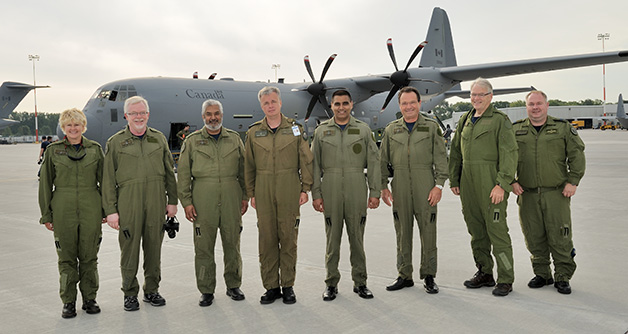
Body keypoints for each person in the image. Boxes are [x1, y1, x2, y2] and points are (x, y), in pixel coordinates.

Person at [102, 96, 178, 311]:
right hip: (128, 202)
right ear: (126, 116)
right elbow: (108, 180)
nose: (138, 117)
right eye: (134, 113)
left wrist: (172, 202)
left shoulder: (159, 139)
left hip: (156, 200)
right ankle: (129, 293)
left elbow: (169, 173)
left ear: (148, 114)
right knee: (129, 251)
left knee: (154, 248)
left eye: (142, 112)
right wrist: (111, 211)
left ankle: (152, 290)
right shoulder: (115, 142)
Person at [448, 78, 518, 297]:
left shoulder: (500, 120)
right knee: (476, 232)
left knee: (497, 232)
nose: (476, 99)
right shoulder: (465, 120)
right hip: (468, 185)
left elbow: (509, 154)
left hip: (491, 183)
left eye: (480, 95)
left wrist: (501, 184)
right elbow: (456, 151)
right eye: (473, 95)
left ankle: (506, 278)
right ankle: (485, 272)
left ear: (490, 96)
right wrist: (455, 179)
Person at [244, 86, 313, 305]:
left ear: (280, 103)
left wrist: (305, 188)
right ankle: (271, 287)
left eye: (273, 101)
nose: (270, 106)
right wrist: (251, 193)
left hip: (289, 187)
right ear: (261, 106)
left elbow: (306, 159)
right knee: (266, 240)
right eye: (266, 103)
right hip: (263, 190)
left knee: (288, 238)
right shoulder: (254, 132)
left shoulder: (294, 129)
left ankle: (288, 286)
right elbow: (249, 166)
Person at [512, 90, 585, 295]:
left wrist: (573, 181)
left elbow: (577, 155)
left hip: (557, 193)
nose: (535, 107)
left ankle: (562, 276)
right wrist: (511, 181)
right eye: (531, 104)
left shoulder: (562, 128)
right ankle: (542, 274)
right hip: (527, 194)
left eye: (539, 104)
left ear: (547, 105)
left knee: (560, 234)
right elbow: (505, 157)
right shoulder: (516, 130)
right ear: (526, 107)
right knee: (533, 235)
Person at [311, 90, 381, 301]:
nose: (341, 107)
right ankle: (331, 283)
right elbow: (314, 165)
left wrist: (375, 191)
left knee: (357, 239)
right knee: (332, 240)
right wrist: (316, 193)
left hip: (356, 186)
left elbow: (374, 162)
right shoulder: (321, 131)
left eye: (345, 103)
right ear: (331, 107)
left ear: (351, 104)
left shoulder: (363, 130)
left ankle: (360, 282)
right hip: (330, 188)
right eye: (337, 104)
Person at [177, 99, 248, 307]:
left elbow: (244, 171)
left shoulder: (234, 139)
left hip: (230, 197)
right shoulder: (191, 141)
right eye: (209, 114)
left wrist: (244, 197)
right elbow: (183, 175)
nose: (213, 117)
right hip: (202, 200)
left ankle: (233, 285)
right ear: (203, 117)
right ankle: (206, 289)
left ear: (222, 116)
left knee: (232, 245)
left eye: (216, 113)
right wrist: (187, 202)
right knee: (204, 247)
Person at [380, 87, 449, 294]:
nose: (408, 107)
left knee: (428, 232)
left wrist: (438, 185)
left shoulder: (430, 127)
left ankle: (429, 275)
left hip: (425, 185)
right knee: (402, 233)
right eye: (404, 103)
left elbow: (441, 158)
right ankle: (404, 275)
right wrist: (383, 186)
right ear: (399, 106)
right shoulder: (391, 129)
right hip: (399, 186)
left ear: (420, 104)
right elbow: (382, 160)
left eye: (412, 103)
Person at [38, 108, 105, 318]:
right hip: (62, 208)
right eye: (69, 125)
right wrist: (46, 215)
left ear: (83, 127)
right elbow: (45, 185)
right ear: (63, 128)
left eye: (77, 125)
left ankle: (90, 299)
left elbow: (105, 183)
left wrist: (106, 210)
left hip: (90, 207)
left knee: (89, 257)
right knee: (66, 259)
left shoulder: (95, 149)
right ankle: (68, 301)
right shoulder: (53, 150)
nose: (73, 128)